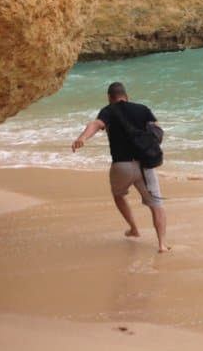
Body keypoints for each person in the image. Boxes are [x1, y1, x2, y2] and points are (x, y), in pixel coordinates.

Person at [72, 82, 169, 253]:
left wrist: (83, 138)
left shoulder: (108, 111)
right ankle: (161, 244)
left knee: (118, 195)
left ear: (110, 97)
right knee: (156, 205)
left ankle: (134, 228)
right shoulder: (142, 109)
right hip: (145, 166)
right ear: (126, 95)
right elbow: (158, 131)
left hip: (121, 166)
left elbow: (95, 124)